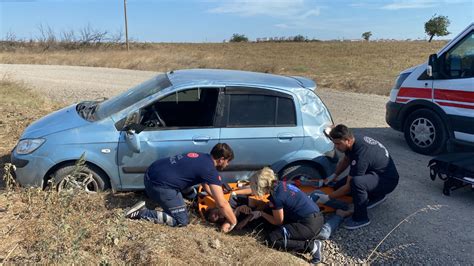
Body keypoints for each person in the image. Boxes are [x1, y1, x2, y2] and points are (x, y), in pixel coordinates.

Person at [125, 143, 238, 232]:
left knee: (188, 186)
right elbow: (222, 204)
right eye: (227, 162)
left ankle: (177, 199)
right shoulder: (210, 171)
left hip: (150, 174)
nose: (227, 165)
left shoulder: (201, 156)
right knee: (181, 221)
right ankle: (141, 213)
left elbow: (204, 182)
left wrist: (211, 194)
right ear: (221, 159)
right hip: (158, 186)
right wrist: (233, 222)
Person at [316, 124, 399, 230]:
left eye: (338, 144)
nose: (336, 147)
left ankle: (361, 218)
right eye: (334, 143)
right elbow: (346, 159)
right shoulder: (353, 141)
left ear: (348, 141)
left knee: (356, 183)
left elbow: (349, 186)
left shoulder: (361, 155)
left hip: (387, 180)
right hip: (375, 173)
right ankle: (375, 196)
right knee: (338, 186)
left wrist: (328, 198)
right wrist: (334, 175)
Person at [248, 167, 324, 264]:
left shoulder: (276, 197)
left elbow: (278, 222)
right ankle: (305, 236)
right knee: (270, 222)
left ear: (261, 186)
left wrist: (261, 213)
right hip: (316, 217)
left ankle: (311, 246)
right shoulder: (281, 184)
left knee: (272, 239)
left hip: (308, 225)